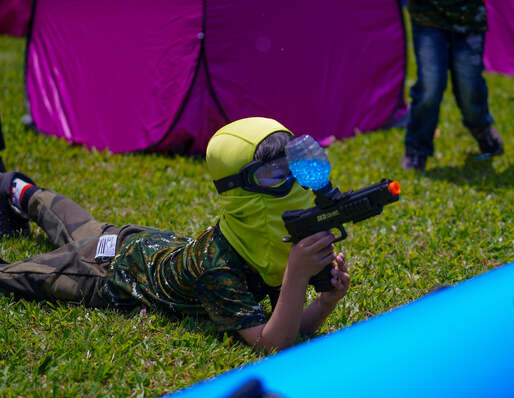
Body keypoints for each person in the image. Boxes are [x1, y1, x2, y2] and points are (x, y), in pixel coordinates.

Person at [0, 117, 351, 353]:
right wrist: (296, 275)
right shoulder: (218, 268)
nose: (290, 182)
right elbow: (269, 343)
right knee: (17, 276)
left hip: (134, 241)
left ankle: (18, 189)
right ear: (238, 189)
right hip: (105, 271)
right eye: (273, 175)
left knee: (75, 222)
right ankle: (15, 189)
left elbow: (286, 327)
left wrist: (324, 302)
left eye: (292, 166)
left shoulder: (257, 243)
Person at [402, 0, 504, 171]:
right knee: (430, 86)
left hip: (468, 18)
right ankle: (417, 149)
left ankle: (481, 129)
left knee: (469, 85)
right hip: (427, 16)